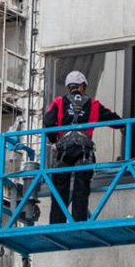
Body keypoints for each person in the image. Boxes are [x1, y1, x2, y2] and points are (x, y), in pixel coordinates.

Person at [43, 70, 122, 224]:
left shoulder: (59, 102)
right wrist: (125, 127)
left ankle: (57, 222)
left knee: (60, 185)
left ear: (68, 87)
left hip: (63, 150)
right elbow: (114, 120)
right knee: (81, 185)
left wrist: (54, 140)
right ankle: (79, 221)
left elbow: (48, 121)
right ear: (83, 86)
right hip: (84, 150)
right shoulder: (93, 104)